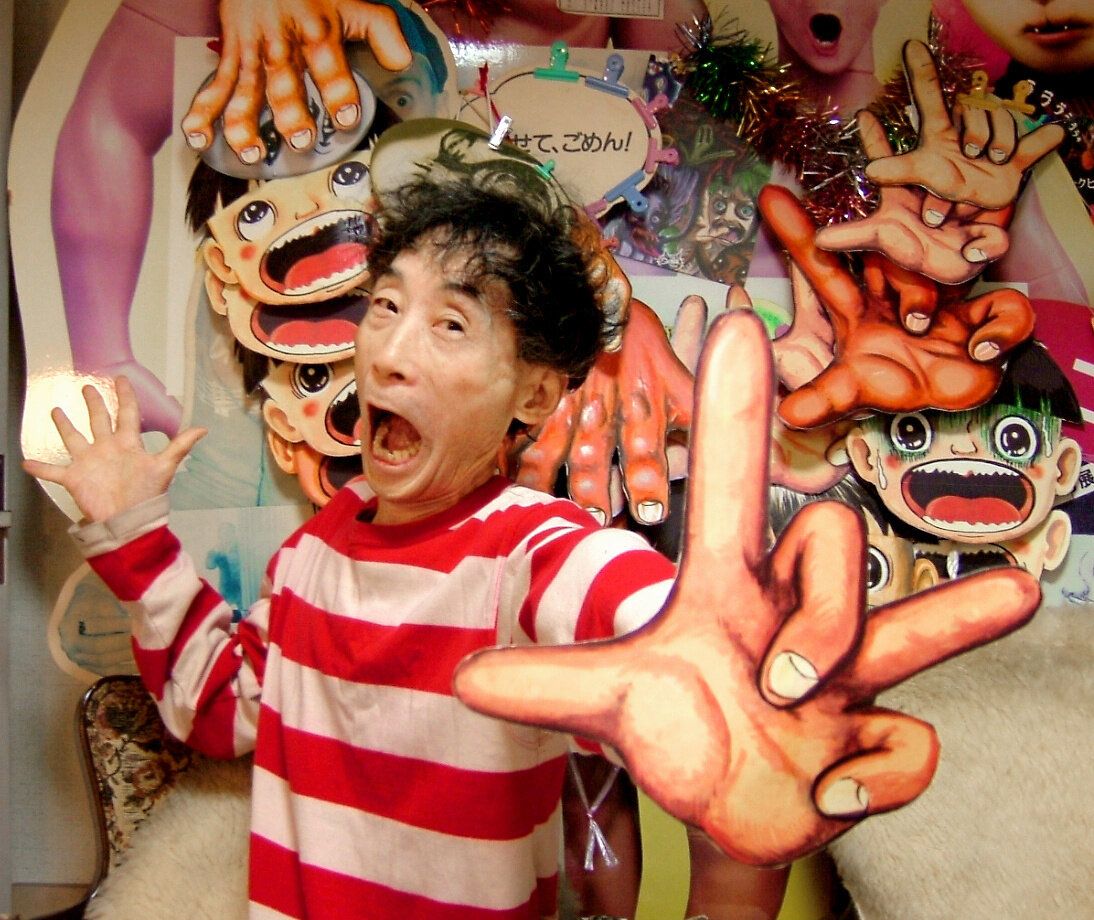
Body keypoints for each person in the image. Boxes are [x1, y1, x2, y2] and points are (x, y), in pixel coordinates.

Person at [25, 178, 1041, 919]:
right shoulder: (313, 554)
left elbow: (624, 610)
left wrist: (721, 671)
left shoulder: (531, 553)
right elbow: (218, 709)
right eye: (385, 307)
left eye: (450, 325)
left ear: (534, 395)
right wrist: (133, 532)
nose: (388, 352)